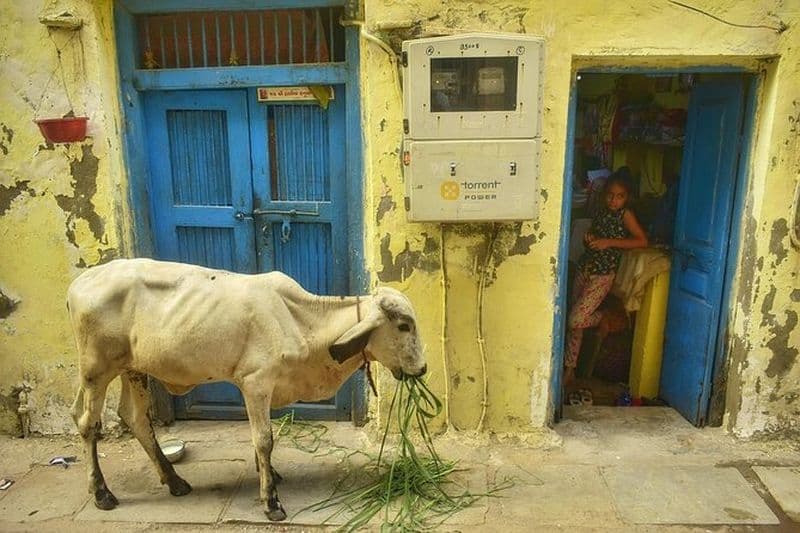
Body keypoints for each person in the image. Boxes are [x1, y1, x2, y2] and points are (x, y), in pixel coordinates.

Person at [565, 168, 648, 388]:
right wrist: (590, 239)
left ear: (626, 198)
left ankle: (604, 319)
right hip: (586, 268)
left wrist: (608, 242)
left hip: (603, 275)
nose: (614, 200)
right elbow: (596, 236)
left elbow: (641, 241)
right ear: (605, 195)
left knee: (575, 318)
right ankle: (569, 370)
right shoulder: (601, 211)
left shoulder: (626, 215)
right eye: (611, 195)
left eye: (619, 196)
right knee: (575, 326)